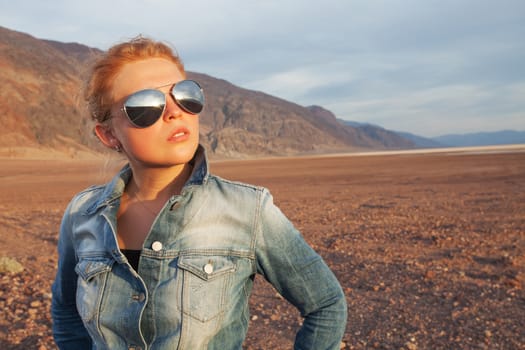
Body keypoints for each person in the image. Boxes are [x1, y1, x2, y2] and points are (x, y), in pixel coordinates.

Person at [51, 36, 347, 349]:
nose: (175, 112)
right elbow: (66, 311)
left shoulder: (247, 209)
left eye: (184, 95)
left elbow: (325, 305)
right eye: (146, 106)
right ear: (109, 134)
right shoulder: (83, 214)